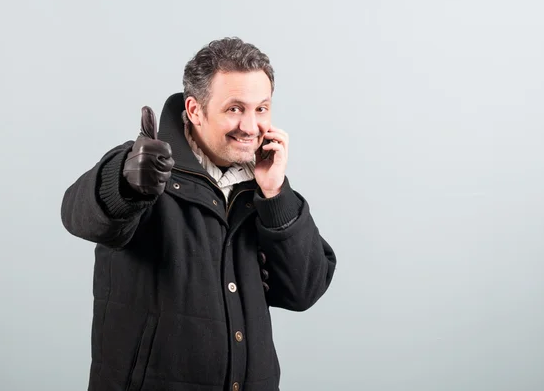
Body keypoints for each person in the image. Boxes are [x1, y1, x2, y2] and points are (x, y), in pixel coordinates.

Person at [60, 37, 337, 391]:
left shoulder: (263, 186)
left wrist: (276, 193)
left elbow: (304, 290)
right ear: (194, 110)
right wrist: (125, 183)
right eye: (235, 109)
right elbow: (77, 213)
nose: (251, 127)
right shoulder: (146, 170)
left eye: (262, 108)